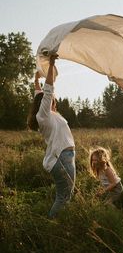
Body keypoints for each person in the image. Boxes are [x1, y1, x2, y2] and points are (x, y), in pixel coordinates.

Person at [27, 55, 76, 218]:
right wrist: (51, 65)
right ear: (46, 104)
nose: (54, 101)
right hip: (61, 157)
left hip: (64, 156)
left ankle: (59, 222)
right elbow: (47, 90)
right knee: (64, 197)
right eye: (51, 100)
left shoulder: (48, 115)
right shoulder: (44, 115)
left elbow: (40, 93)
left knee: (65, 195)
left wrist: (35, 79)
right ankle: (52, 224)